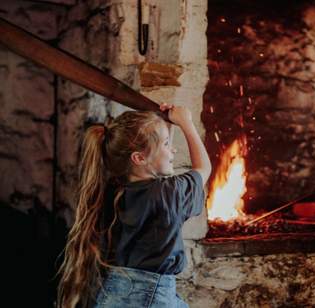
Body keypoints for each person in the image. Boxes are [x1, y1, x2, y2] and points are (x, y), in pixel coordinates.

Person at [57, 104, 211, 308]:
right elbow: (204, 169)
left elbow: (156, 163)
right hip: (151, 297)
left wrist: (167, 126)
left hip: (114, 291)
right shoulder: (168, 192)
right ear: (138, 158)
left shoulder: (110, 190)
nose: (172, 148)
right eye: (166, 144)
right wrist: (187, 124)